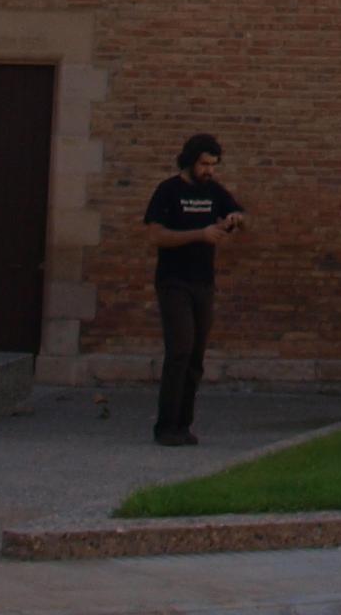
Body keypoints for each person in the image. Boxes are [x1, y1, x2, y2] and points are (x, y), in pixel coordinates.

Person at [141, 132, 244, 445]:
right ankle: (165, 426)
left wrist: (237, 219)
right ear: (189, 160)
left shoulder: (213, 191)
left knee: (196, 355)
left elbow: (240, 214)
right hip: (174, 281)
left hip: (203, 283)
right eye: (204, 164)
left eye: (213, 165)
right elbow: (156, 235)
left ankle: (184, 425)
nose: (209, 170)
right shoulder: (168, 191)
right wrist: (200, 234)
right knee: (180, 350)